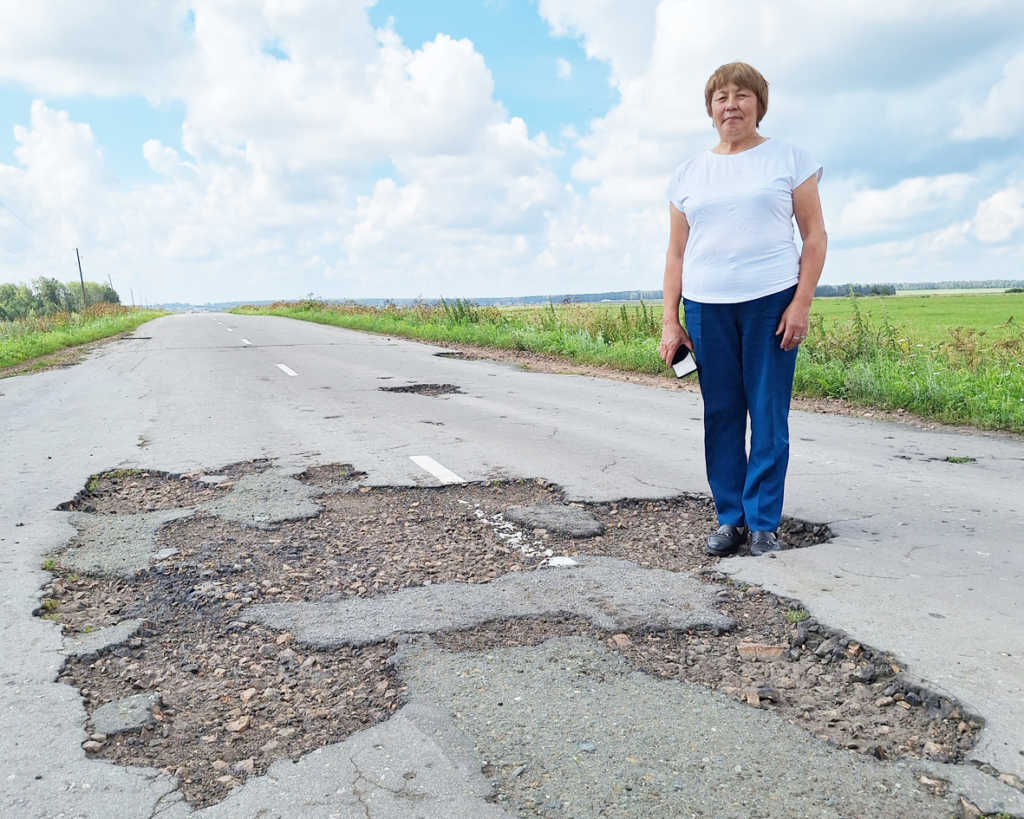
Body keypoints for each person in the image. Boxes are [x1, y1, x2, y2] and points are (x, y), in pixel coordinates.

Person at [659, 61, 827, 557]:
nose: (730, 105)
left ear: (759, 104)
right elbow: (675, 253)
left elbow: (814, 236)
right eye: (720, 97)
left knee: (768, 413)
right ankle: (730, 519)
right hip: (707, 308)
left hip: (771, 301)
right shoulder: (688, 173)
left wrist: (801, 303)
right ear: (710, 110)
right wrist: (672, 320)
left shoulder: (790, 159)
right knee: (723, 414)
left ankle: (764, 523)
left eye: (741, 95)